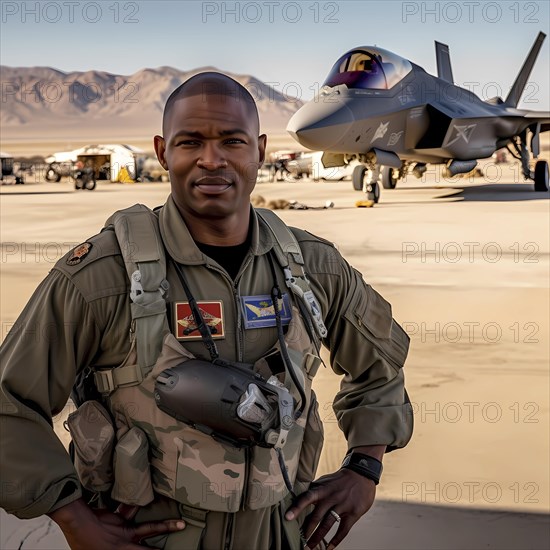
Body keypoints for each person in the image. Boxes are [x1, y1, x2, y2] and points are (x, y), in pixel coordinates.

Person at [0, 72, 413, 549]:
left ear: (259, 150)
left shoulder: (313, 267)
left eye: (232, 141)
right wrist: (74, 519)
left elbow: (381, 367)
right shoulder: (102, 276)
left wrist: (365, 466)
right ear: (161, 152)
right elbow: (9, 401)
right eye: (190, 141)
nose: (211, 159)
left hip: (279, 532)